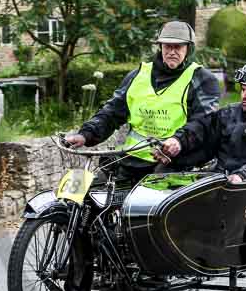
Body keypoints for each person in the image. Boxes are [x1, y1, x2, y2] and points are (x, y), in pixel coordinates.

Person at [64, 21, 220, 181]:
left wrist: (178, 141)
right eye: (167, 46)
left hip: (174, 162)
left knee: (146, 202)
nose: (172, 52)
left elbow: (203, 124)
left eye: (178, 47)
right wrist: (86, 134)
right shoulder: (137, 75)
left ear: (189, 49)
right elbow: (111, 112)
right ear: (160, 47)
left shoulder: (202, 80)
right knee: (93, 193)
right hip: (130, 159)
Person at [157, 60, 246, 183]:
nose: (244, 95)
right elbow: (202, 128)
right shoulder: (229, 112)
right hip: (220, 180)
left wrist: (243, 175)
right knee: (163, 172)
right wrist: (178, 142)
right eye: (243, 90)